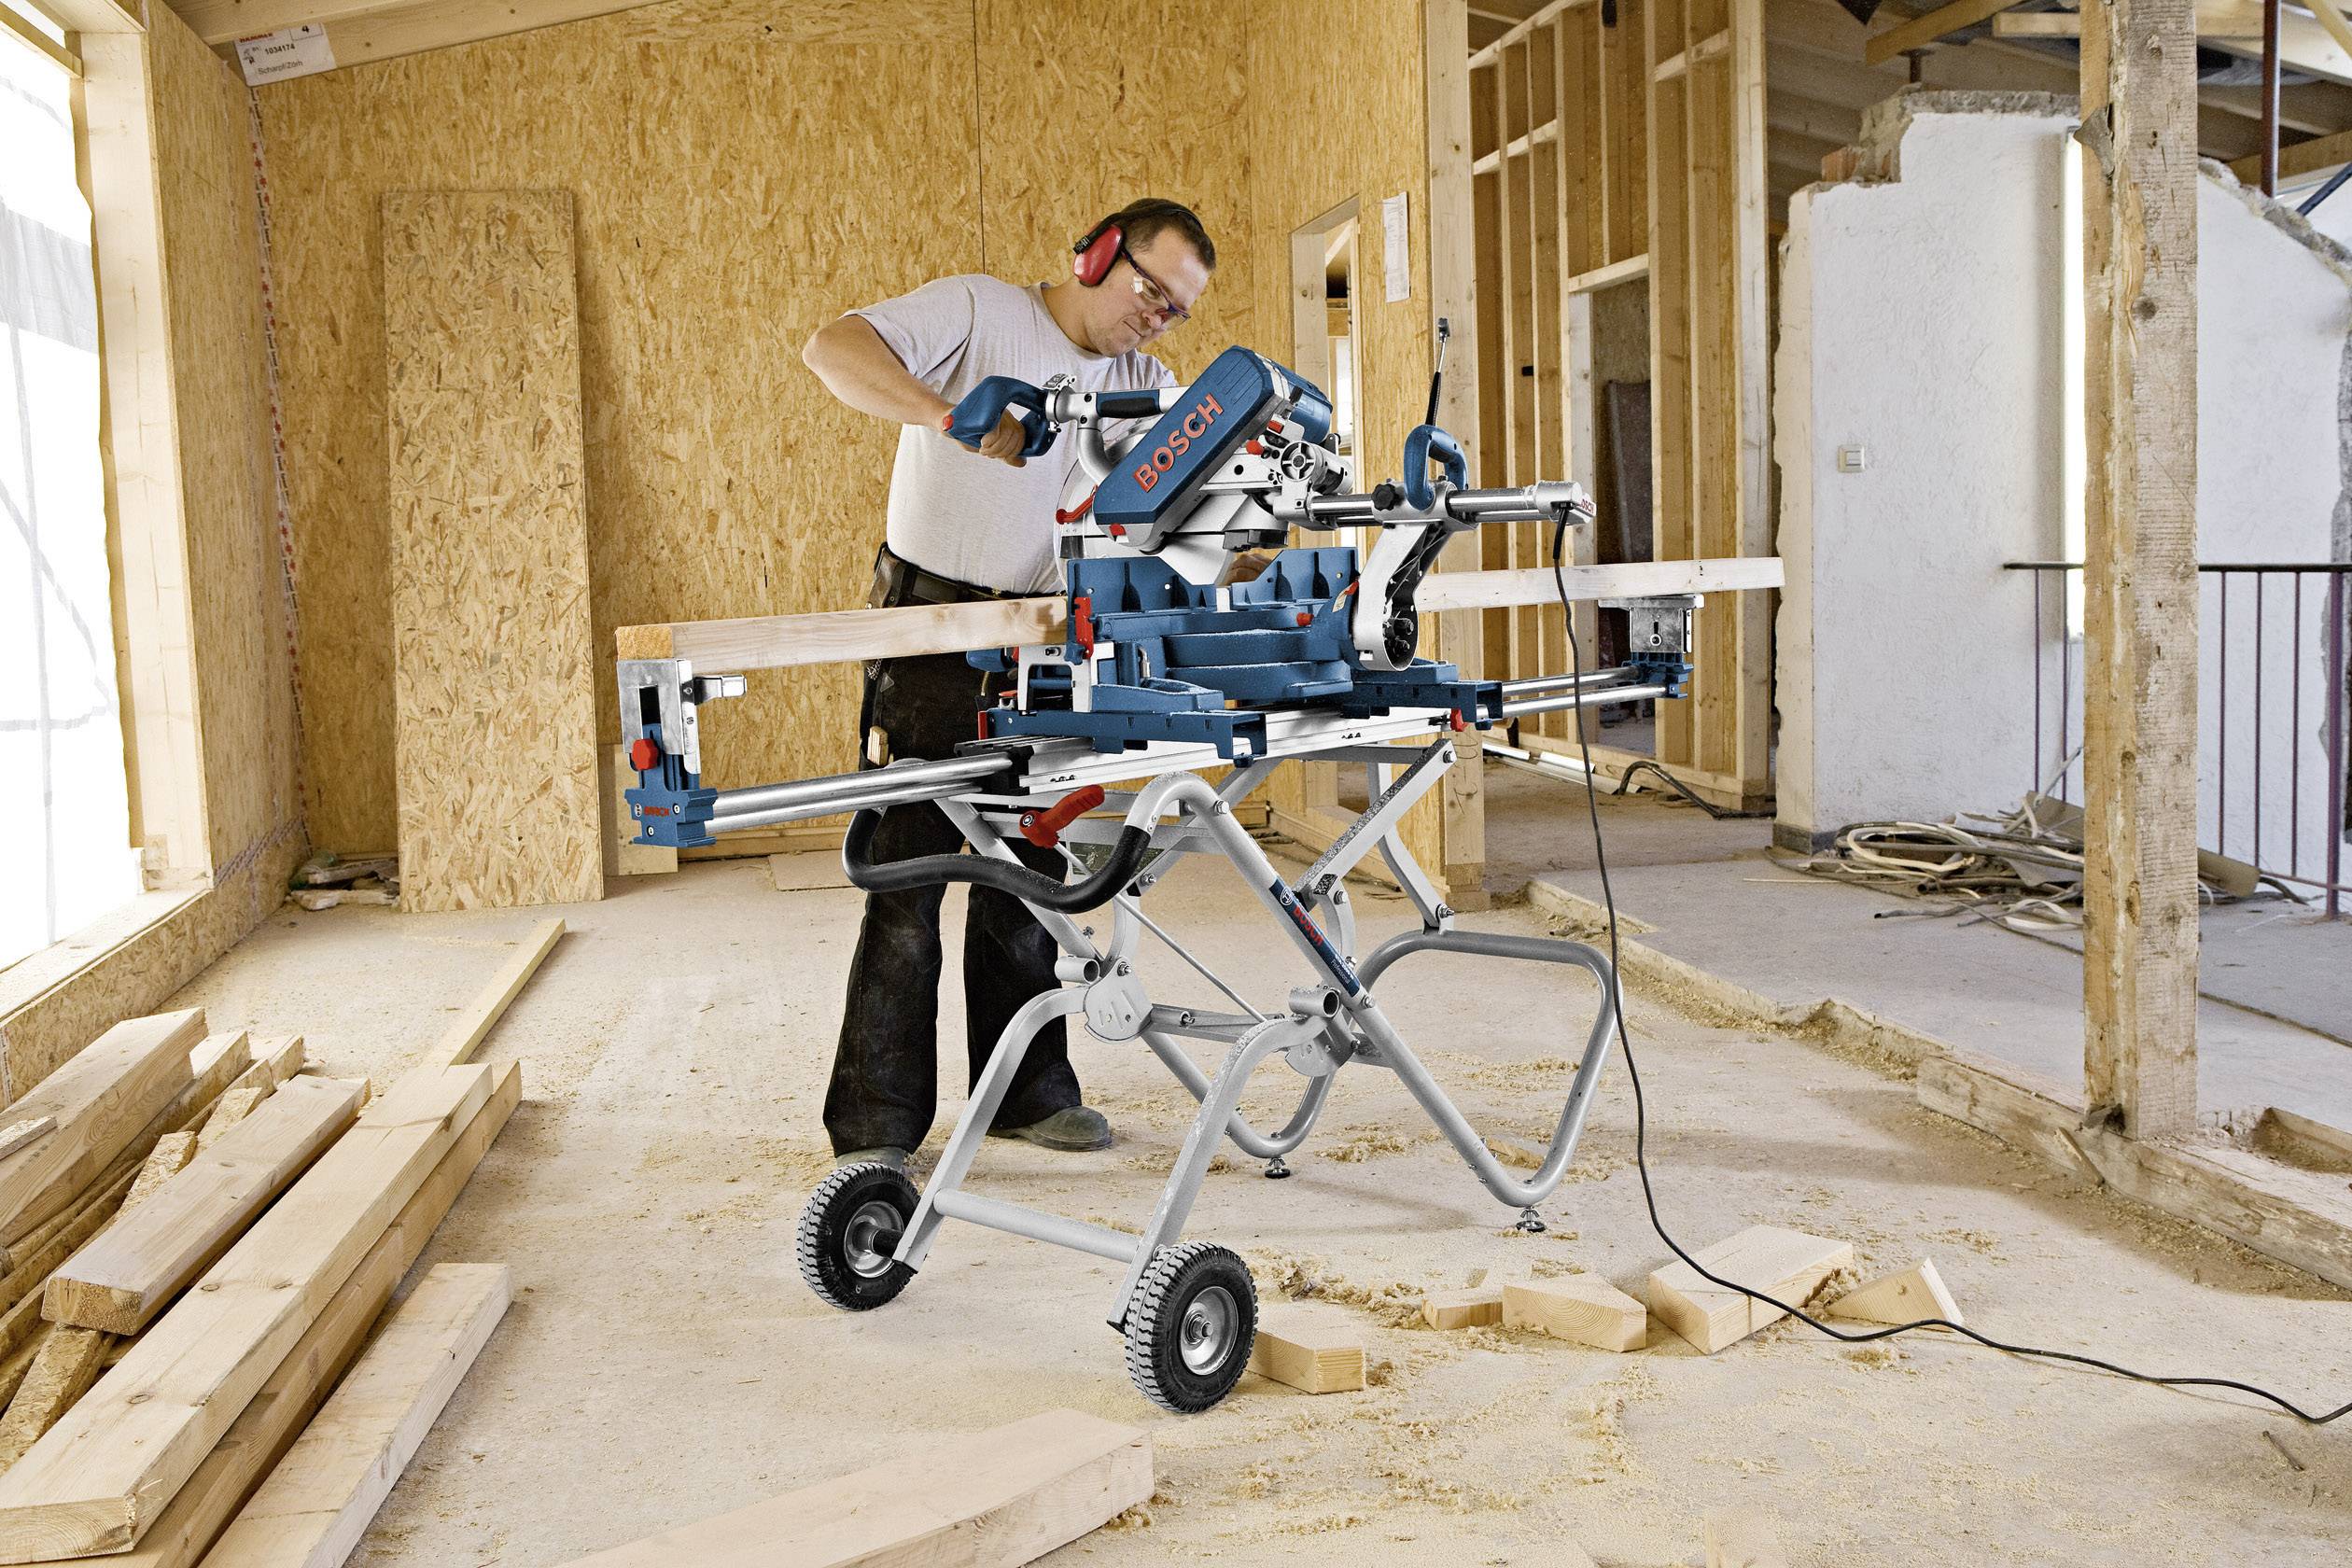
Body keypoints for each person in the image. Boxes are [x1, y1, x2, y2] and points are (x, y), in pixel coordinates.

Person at [801, 198, 1216, 1170]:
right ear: (1095, 256)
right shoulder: (982, 313)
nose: (1155, 315)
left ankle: (1028, 1094)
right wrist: (949, 415)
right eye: (1148, 288)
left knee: (1030, 873)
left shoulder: (1143, 379)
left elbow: (1181, 501)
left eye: (1176, 309)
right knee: (910, 875)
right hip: (932, 623)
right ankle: (875, 1126)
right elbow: (831, 348)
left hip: (1044, 638)